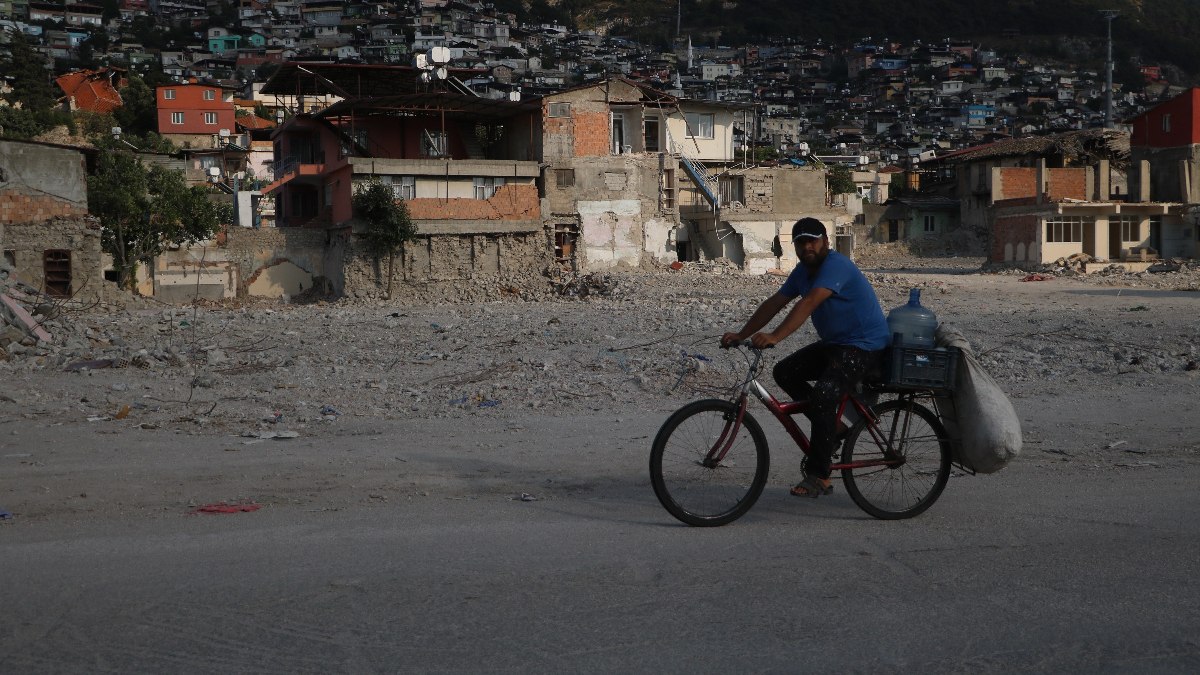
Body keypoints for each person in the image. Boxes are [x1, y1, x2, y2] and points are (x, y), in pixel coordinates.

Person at [721, 217, 891, 498]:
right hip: (837, 345)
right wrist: (742, 333)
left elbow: (809, 302)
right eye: (801, 242)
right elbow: (776, 302)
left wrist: (775, 337)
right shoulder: (802, 271)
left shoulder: (837, 265)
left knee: (825, 394)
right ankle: (834, 429)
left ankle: (819, 475)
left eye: (813, 240)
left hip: (865, 347)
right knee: (785, 372)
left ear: (826, 240)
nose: (807, 246)